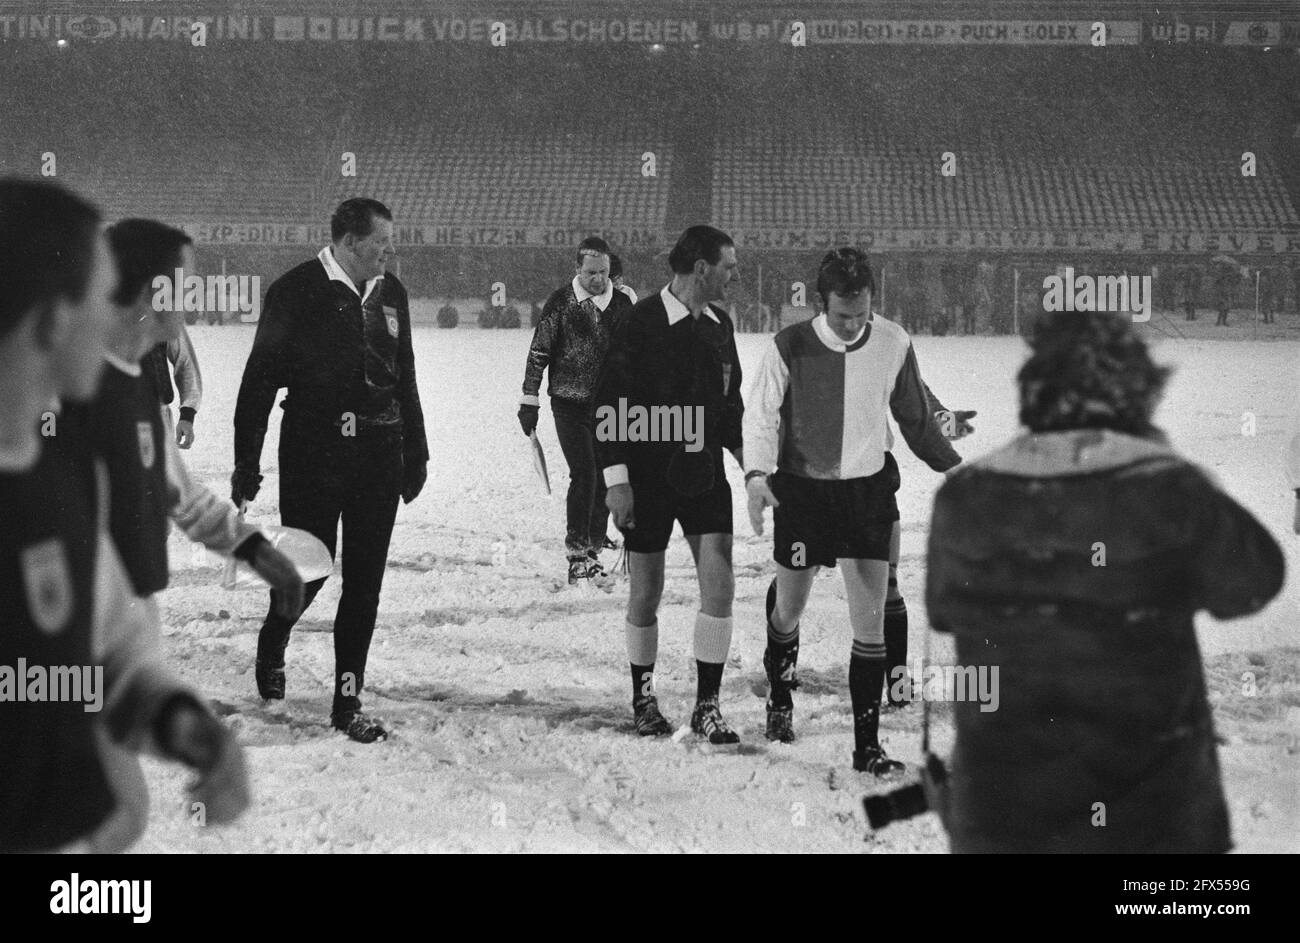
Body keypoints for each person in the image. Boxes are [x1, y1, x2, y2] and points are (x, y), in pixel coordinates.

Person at [925, 310, 1284, 853]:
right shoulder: (1170, 492)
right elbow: (1255, 581)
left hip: (1002, 818)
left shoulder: (966, 496)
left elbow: (943, 611)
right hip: (1154, 826)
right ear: (1139, 395)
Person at [0, 178, 248, 852]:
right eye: (99, 297)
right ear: (55, 320)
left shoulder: (51, 472)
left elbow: (112, 650)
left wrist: (187, 726)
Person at [744, 247, 961, 773]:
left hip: (866, 497)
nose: (852, 325)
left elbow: (915, 416)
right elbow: (760, 416)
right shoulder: (788, 345)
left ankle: (868, 748)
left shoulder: (893, 341)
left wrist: (954, 468)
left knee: (870, 625)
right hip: (803, 493)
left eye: (861, 314)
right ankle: (780, 696)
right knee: (789, 608)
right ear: (821, 304)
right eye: (842, 316)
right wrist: (756, 476)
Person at [233, 197, 429, 743]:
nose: (391, 249)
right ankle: (275, 636)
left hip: (378, 453)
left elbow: (404, 375)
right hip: (313, 454)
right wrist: (246, 461)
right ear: (347, 242)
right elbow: (258, 384)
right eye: (381, 241)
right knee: (309, 572)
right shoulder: (294, 291)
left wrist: (417, 448)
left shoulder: (392, 294)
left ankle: (348, 701)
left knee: (365, 583)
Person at [592, 225, 745, 743]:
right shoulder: (640, 324)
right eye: (727, 264)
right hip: (648, 481)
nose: (733, 273)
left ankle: (707, 706)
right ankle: (644, 698)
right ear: (700, 267)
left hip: (704, 477)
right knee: (647, 593)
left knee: (720, 588)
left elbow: (731, 411)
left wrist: (754, 469)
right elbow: (608, 406)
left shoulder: (721, 327)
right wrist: (617, 483)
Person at [518, 237, 634, 584]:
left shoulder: (624, 302)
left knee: (604, 477)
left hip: (610, 408)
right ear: (577, 269)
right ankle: (576, 552)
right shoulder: (561, 302)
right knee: (584, 473)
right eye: (591, 272)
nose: (598, 279)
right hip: (568, 403)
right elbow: (539, 352)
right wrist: (529, 399)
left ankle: (594, 549)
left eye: (603, 272)